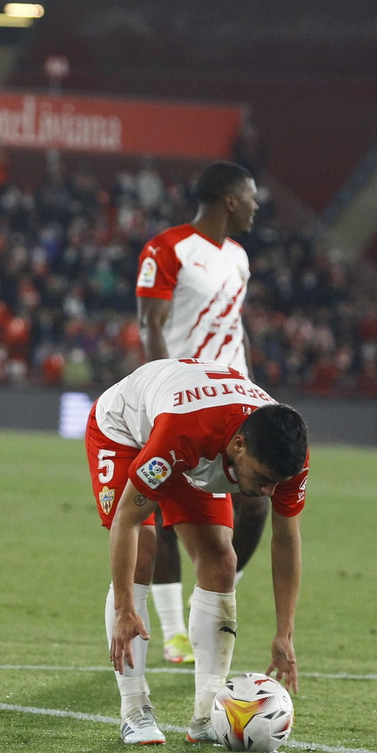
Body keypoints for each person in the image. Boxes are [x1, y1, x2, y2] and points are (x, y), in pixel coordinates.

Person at [84, 357, 309, 745]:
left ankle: (207, 716)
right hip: (125, 431)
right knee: (145, 550)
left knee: (221, 562)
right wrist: (125, 608)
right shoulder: (185, 432)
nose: (270, 492)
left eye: (278, 483)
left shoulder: (288, 458)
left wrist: (284, 633)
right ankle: (134, 710)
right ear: (240, 445)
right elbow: (128, 520)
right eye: (264, 479)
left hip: (197, 446)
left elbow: (286, 539)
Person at [134, 161, 262, 668]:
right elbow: (150, 324)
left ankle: (212, 592)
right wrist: (161, 390)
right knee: (166, 511)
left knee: (256, 503)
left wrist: (253, 387)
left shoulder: (239, 257)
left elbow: (234, 326)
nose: (256, 205)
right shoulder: (167, 250)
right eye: (251, 196)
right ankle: (174, 633)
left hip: (236, 401)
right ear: (229, 200)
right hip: (182, 398)